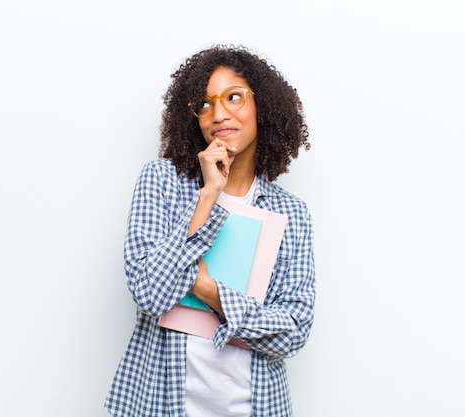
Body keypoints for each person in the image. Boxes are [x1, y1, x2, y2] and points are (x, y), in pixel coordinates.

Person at [105, 44, 315, 417]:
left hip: (256, 405)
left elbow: (293, 330)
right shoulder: (161, 182)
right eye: (205, 104)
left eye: (234, 97)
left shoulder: (291, 213)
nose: (219, 114)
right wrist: (208, 196)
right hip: (163, 403)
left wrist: (207, 289)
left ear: (261, 106)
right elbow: (150, 294)